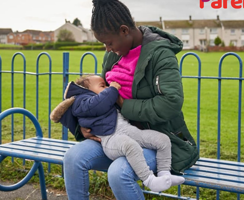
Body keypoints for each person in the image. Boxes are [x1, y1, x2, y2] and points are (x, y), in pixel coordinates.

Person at [58, 0, 199, 200]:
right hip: (113, 135)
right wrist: (84, 126)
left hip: (153, 138)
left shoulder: (160, 54)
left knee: (119, 173)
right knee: (72, 158)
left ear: (124, 31)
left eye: (109, 42)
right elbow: (100, 95)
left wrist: (124, 104)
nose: (107, 49)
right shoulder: (114, 55)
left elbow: (170, 102)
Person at [51, 75, 185, 192]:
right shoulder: (84, 100)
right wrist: (113, 89)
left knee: (162, 139)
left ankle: (164, 174)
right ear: (87, 91)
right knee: (131, 147)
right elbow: (97, 105)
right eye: (103, 85)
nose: (107, 87)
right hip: (112, 139)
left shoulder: (103, 99)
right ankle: (150, 181)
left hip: (130, 131)